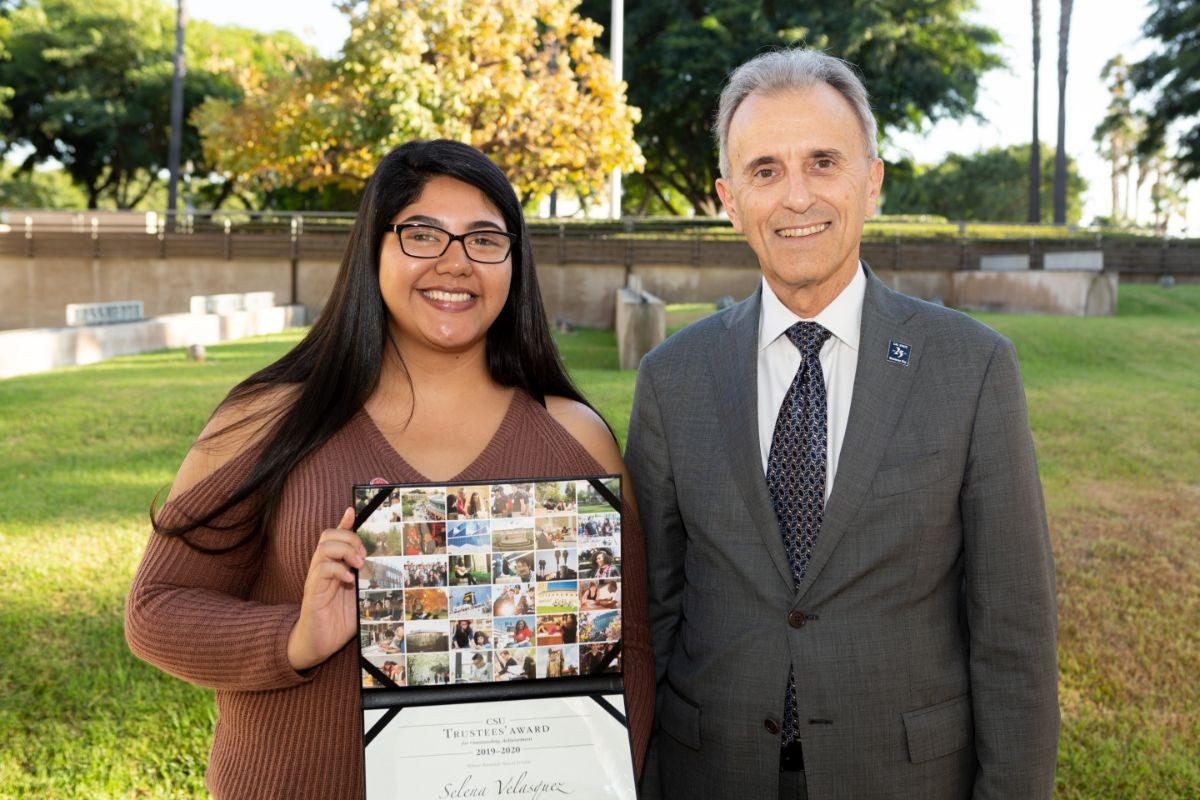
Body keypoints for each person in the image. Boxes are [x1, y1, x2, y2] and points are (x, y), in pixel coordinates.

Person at [125, 139, 654, 799]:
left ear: (514, 262)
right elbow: (156, 610)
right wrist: (298, 635)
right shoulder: (269, 418)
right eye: (423, 234)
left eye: (485, 239)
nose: (456, 263)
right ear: (375, 247)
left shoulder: (576, 439)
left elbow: (629, 653)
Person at [625, 50, 1058, 799]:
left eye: (823, 162)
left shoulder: (971, 367)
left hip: (904, 779)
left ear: (872, 179)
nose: (797, 197)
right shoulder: (671, 379)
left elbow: (1013, 631)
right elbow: (653, 613)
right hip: (714, 773)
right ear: (730, 199)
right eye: (765, 170)